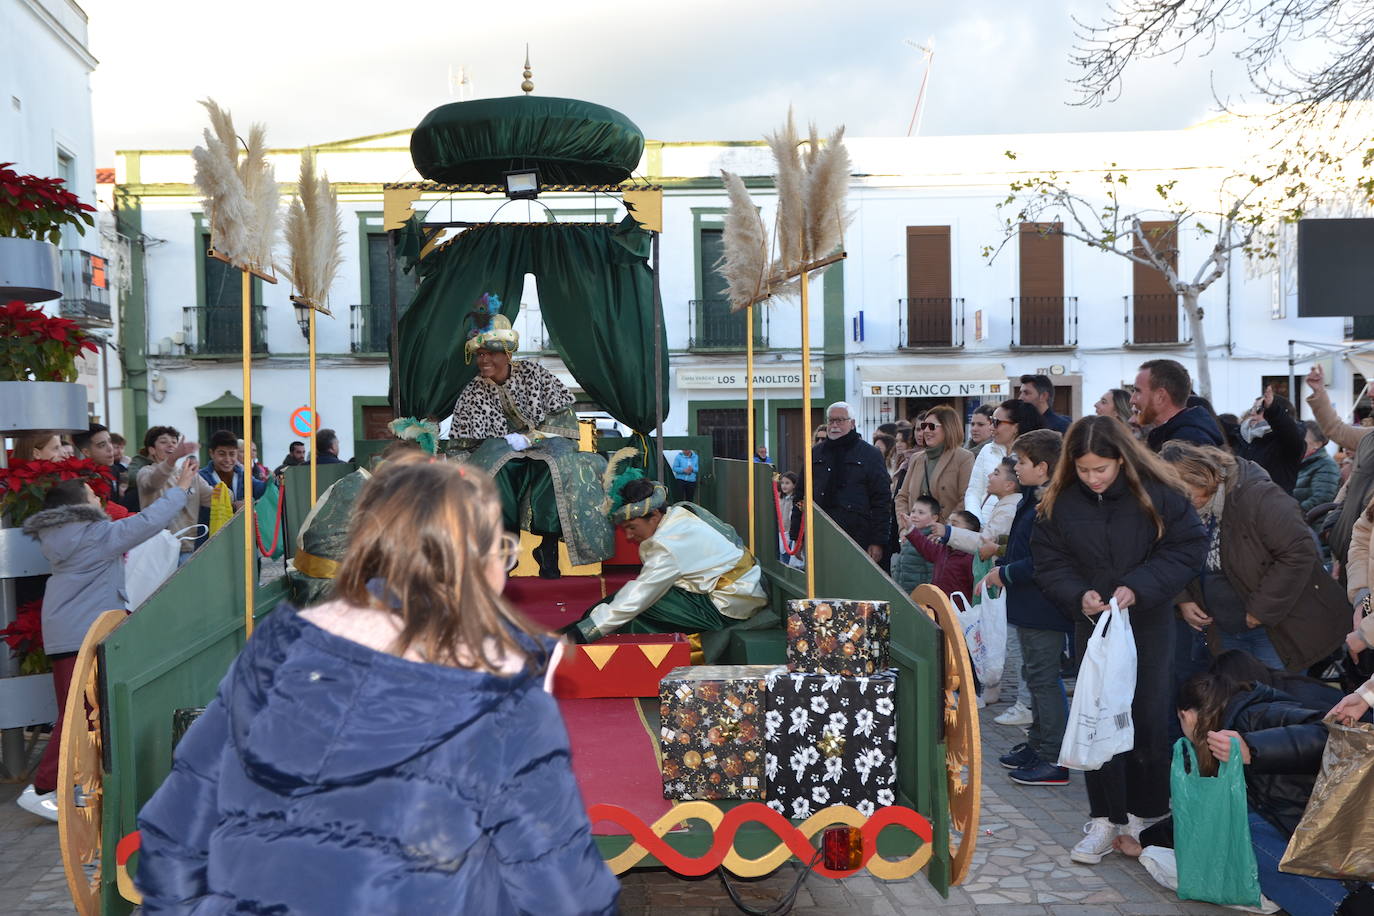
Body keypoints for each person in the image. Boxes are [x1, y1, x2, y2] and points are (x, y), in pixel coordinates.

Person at [135, 456, 620, 913]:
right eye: (501, 548)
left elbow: (176, 829)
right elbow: (562, 890)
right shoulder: (505, 698)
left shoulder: (269, 659)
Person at [1032, 416, 1207, 862]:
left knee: (1147, 720)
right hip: (1093, 626)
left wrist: (1140, 586)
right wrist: (1078, 594)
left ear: (1121, 460)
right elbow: (1049, 562)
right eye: (1085, 470)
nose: (1093, 478)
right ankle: (1106, 819)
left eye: (1101, 469)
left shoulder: (1158, 493)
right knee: (1096, 718)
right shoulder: (1059, 502)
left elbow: (1187, 547)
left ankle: (1147, 816)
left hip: (1147, 623)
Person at [15, 463, 200, 823]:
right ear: (80, 508)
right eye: (91, 495)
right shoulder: (93, 535)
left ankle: (69, 785)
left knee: (81, 713)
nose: (99, 498)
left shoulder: (64, 537)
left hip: (68, 635)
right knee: (79, 716)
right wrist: (180, 488)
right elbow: (147, 523)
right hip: (84, 633)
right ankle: (42, 788)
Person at [1116, 672, 1373, 916]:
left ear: (1185, 715)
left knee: (1241, 834)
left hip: (1328, 820)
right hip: (1300, 824)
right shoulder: (1218, 736)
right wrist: (1146, 841)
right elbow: (1204, 813)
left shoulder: (1254, 714)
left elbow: (1327, 736)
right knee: (1234, 830)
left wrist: (1254, 748)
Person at [447, 295, 612, 578]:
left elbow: (563, 420)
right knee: (499, 471)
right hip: (500, 458)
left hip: (545, 447)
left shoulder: (535, 374)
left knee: (558, 465)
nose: (483, 360)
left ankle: (547, 547)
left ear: (506, 354)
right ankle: (505, 550)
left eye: (489, 353)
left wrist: (532, 438)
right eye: (480, 355)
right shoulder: (472, 391)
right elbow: (463, 442)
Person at [1162, 441, 1349, 674]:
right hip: (1223, 629)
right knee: (1239, 703)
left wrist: (1259, 612)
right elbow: (1172, 554)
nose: (1180, 504)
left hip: (1275, 629)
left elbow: (1298, 552)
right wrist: (1184, 598)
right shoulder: (1185, 509)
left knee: (1280, 701)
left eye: (1185, 495)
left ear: (1201, 476)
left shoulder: (1257, 496)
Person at [570, 457, 766, 643]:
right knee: (628, 599)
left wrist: (585, 632)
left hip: (728, 604)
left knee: (638, 604)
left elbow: (641, 594)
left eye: (632, 527)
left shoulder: (667, 543)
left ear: (654, 515)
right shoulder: (679, 511)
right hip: (747, 588)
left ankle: (584, 638)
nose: (628, 537)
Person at [979, 430, 1073, 783]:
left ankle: (1054, 756)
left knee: (1044, 680)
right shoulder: (1034, 498)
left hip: (1044, 606)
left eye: (1021, 461)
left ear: (1043, 467)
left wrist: (1005, 571)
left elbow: (1044, 561)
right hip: (1031, 604)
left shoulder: (1052, 505)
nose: (1015, 467)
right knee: (1035, 677)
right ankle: (1038, 743)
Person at [1305, 365, 1374, 581]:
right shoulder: (1369, 439)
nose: (1370, 391)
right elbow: (1337, 430)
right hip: (1350, 559)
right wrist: (1332, 527)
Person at [811, 401, 893, 566]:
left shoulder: (870, 454)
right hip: (822, 534)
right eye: (831, 420)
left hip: (859, 535)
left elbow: (882, 500)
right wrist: (797, 536)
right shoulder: (815, 453)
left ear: (852, 423)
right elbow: (802, 495)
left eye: (840, 420)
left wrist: (878, 541)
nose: (834, 425)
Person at [895, 404, 974, 545]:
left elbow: (966, 499)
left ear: (948, 427)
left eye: (931, 426)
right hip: (914, 538)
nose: (925, 431)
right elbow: (902, 497)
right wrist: (904, 529)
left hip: (943, 542)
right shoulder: (917, 458)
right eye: (923, 426)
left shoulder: (964, 457)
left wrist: (946, 531)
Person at [136, 427, 215, 564]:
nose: (171, 444)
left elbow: (213, 498)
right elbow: (153, 483)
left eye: (174, 442)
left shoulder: (190, 475)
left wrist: (232, 498)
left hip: (186, 549)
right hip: (156, 551)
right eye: (163, 442)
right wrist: (171, 460)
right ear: (152, 450)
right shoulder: (146, 472)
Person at [1131, 359, 1223, 451]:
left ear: (1160, 396)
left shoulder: (1187, 442)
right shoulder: (1173, 435)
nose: (1132, 400)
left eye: (1138, 391)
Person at [1236, 387, 1305, 494]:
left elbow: (1288, 432)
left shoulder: (1287, 442)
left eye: (1259, 409)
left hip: (1274, 506)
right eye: (1252, 409)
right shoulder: (1245, 438)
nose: (1253, 413)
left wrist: (1272, 409)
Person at [907, 509, 978, 599]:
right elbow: (924, 545)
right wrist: (911, 529)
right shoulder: (943, 549)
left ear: (970, 533)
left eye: (954, 524)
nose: (947, 527)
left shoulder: (971, 557)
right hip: (936, 604)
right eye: (947, 523)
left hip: (959, 609)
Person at [200, 430, 268, 513]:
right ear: (211, 453)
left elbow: (260, 488)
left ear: (237, 454)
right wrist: (234, 507)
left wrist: (272, 481)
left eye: (232, 454)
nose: (227, 460)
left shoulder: (242, 475)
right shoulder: (201, 478)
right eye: (222, 454)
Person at [1295, 421, 1340, 516]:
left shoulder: (1327, 465)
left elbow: (1321, 499)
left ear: (1317, 444)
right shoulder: (1299, 462)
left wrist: (1292, 512)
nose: (1296, 441)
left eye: (1302, 438)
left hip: (1311, 525)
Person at [776, 471, 804, 568]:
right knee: (782, 558)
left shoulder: (795, 500)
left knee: (789, 560)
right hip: (780, 534)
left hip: (789, 534)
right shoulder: (779, 499)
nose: (784, 486)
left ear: (794, 485)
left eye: (787, 483)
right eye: (782, 483)